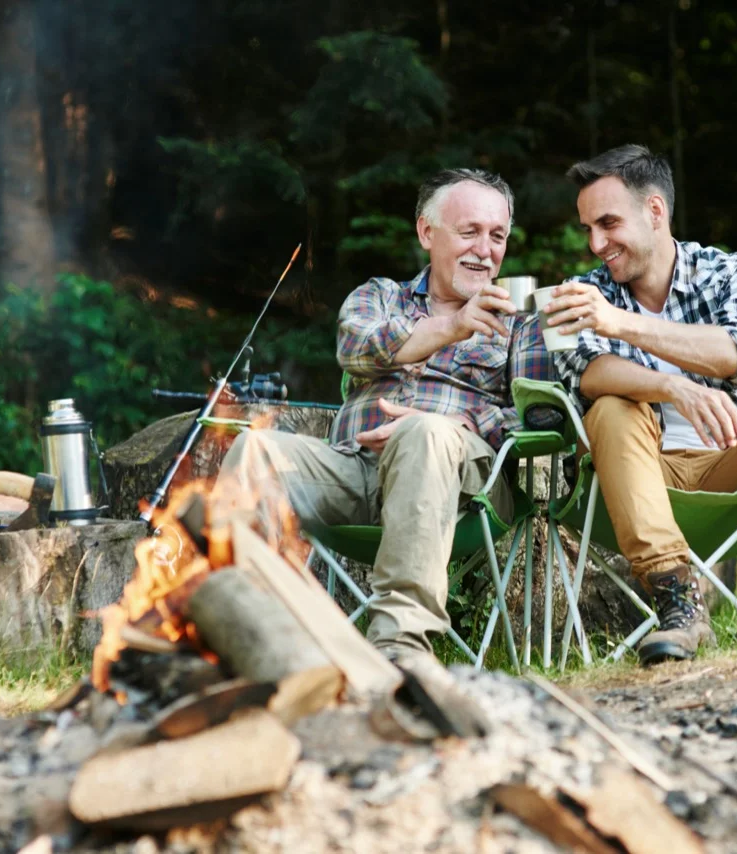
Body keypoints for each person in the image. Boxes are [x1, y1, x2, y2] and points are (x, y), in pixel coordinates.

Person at [218, 168, 549, 661]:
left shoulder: (522, 323)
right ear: (426, 232)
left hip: (466, 486)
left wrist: (457, 428)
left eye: (497, 236)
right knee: (254, 449)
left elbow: (537, 417)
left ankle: (400, 646)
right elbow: (357, 349)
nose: (485, 250)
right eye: (469, 232)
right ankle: (244, 635)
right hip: (356, 471)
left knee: (427, 435)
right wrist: (453, 326)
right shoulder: (379, 296)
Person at [544, 144, 737, 666]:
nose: (595, 243)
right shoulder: (583, 293)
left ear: (655, 212)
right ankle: (678, 600)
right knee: (610, 406)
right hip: (638, 472)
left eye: (608, 224)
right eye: (588, 228)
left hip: (732, 463)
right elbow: (586, 374)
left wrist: (621, 324)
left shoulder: (729, 272)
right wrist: (673, 386)